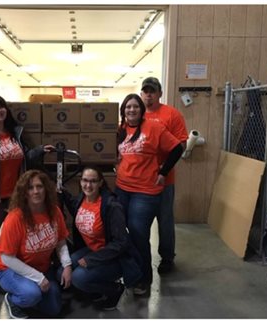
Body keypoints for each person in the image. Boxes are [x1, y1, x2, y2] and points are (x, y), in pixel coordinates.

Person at [0, 95, 51, 295]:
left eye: (1, 107)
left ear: (6, 110)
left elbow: (22, 160)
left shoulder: (15, 133)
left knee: (16, 237)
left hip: (16, 197)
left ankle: (17, 273)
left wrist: (39, 151)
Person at [114, 93, 183, 296]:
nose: (132, 110)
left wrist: (163, 172)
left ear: (141, 109)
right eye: (128, 107)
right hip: (122, 188)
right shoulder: (120, 130)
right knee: (121, 232)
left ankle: (144, 279)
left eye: (135, 106)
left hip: (145, 191)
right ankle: (130, 274)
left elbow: (177, 148)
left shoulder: (154, 127)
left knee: (138, 232)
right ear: (123, 111)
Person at [59, 166, 142, 311]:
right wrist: (62, 193)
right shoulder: (82, 199)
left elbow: (121, 243)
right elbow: (75, 208)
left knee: (78, 277)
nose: (88, 185)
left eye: (93, 181)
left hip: (114, 257)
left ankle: (115, 290)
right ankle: (96, 290)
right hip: (92, 250)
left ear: (101, 183)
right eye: (85, 180)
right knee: (62, 271)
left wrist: (91, 259)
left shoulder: (111, 206)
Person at [0, 170, 72, 319]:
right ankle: (13, 300)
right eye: (30, 188)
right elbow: (7, 259)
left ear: (46, 189)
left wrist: (67, 265)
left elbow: (61, 241)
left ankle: (31, 295)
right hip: (9, 270)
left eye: (39, 186)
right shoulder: (15, 218)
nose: (36, 191)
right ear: (24, 192)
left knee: (54, 308)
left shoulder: (54, 211)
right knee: (31, 295)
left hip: (41, 268)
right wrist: (38, 278)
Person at [140, 77, 188, 274]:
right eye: (146, 91)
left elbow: (181, 145)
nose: (149, 95)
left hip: (163, 180)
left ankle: (167, 258)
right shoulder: (136, 114)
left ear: (159, 93)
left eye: (153, 91)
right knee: (139, 221)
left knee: (165, 220)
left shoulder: (171, 115)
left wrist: (164, 168)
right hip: (140, 182)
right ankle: (139, 257)